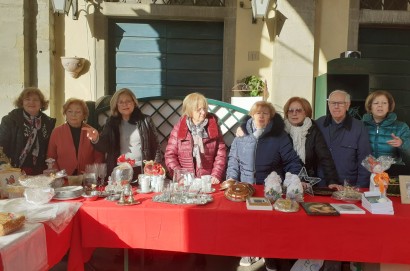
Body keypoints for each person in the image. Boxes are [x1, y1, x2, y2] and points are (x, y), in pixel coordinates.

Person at [226, 101, 301, 270]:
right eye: (258, 113)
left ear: (271, 117)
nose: (261, 116)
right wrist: (231, 178)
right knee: (246, 222)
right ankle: (249, 250)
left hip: (269, 187)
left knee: (268, 224)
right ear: (252, 115)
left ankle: (269, 254)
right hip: (246, 186)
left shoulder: (279, 137)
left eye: (265, 114)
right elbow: (233, 161)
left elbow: (291, 161)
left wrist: (293, 179)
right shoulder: (241, 135)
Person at [83, 88, 161, 179]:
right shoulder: (111, 122)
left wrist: (155, 167)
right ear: (116, 105)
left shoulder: (145, 121)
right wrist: (96, 138)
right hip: (118, 170)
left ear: (134, 103)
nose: (125, 104)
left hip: (142, 170)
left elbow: (156, 147)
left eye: (128, 101)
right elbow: (105, 147)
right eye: (121, 102)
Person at [165, 92, 226, 184]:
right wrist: (179, 176)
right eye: (199, 110)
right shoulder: (179, 128)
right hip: (185, 182)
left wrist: (216, 175)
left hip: (208, 180)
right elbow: (170, 155)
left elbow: (220, 154)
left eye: (204, 109)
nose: (203, 112)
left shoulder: (213, 127)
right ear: (190, 111)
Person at [316, 90, 371, 188]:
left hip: (349, 186)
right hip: (322, 185)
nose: (336, 106)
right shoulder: (319, 124)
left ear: (347, 105)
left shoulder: (359, 127)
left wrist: (361, 187)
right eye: (333, 103)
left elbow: (365, 159)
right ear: (328, 104)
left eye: (340, 103)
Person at [283, 97, 340, 189]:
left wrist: (332, 181)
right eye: (290, 110)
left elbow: (325, 157)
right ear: (286, 113)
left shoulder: (313, 130)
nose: (294, 113)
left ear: (306, 112)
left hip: (307, 182)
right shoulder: (280, 131)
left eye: (298, 110)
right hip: (283, 181)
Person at [0, 87, 56, 175]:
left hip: (39, 172)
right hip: (14, 170)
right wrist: (5, 168)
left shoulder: (48, 123)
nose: (31, 102)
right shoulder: (10, 120)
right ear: (22, 102)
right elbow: (1, 146)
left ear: (41, 103)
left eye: (36, 100)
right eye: (27, 99)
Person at [47, 98, 105, 176]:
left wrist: (91, 173)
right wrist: (58, 175)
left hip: (86, 178)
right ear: (65, 114)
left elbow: (99, 156)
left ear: (84, 115)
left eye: (78, 112)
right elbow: (51, 157)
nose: (73, 115)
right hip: (63, 178)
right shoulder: (57, 132)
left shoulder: (92, 132)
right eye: (70, 111)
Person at [362, 90, 410, 176]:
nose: (380, 105)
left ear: (389, 106)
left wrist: (402, 143)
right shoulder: (360, 126)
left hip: (393, 173)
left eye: (384, 103)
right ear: (370, 107)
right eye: (376, 103)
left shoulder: (401, 127)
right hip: (366, 172)